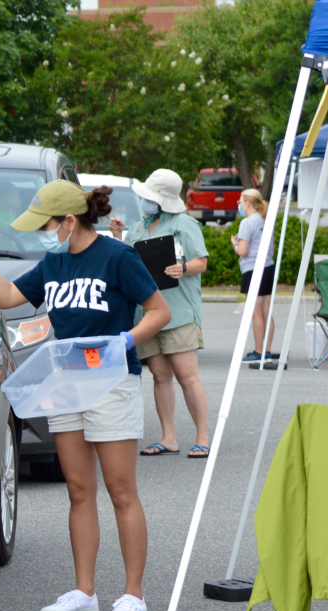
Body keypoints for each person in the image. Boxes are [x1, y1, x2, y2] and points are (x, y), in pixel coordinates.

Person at [0, 180, 171, 611]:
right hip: (68, 380)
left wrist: (125, 340)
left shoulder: (118, 257)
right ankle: (84, 591)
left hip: (111, 381)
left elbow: (159, 311)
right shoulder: (53, 262)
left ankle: (133, 595)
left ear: (69, 221)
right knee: (78, 490)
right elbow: (10, 298)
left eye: (46, 224)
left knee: (121, 490)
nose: (42, 232)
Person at [108, 169, 211, 460]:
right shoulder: (139, 228)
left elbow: (201, 262)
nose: (144, 201)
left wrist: (184, 268)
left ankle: (203, 437)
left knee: (187, 375)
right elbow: (125, 259)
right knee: (160, 375)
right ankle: (169, 437)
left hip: (179, 312)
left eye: (149, 197)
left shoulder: (184, 224)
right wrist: (118, 235)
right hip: (148, 314)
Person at [231, 189, 276, 361]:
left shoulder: (247, 223)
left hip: (253, 269)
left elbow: (243, 251)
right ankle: (267, 350)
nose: (239, 205)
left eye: (240, 202)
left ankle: (259, 351)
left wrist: (235, 244)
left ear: (248, 203)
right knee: (266, 312)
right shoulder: (265, 220)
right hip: (267, 267)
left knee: (256, 313)